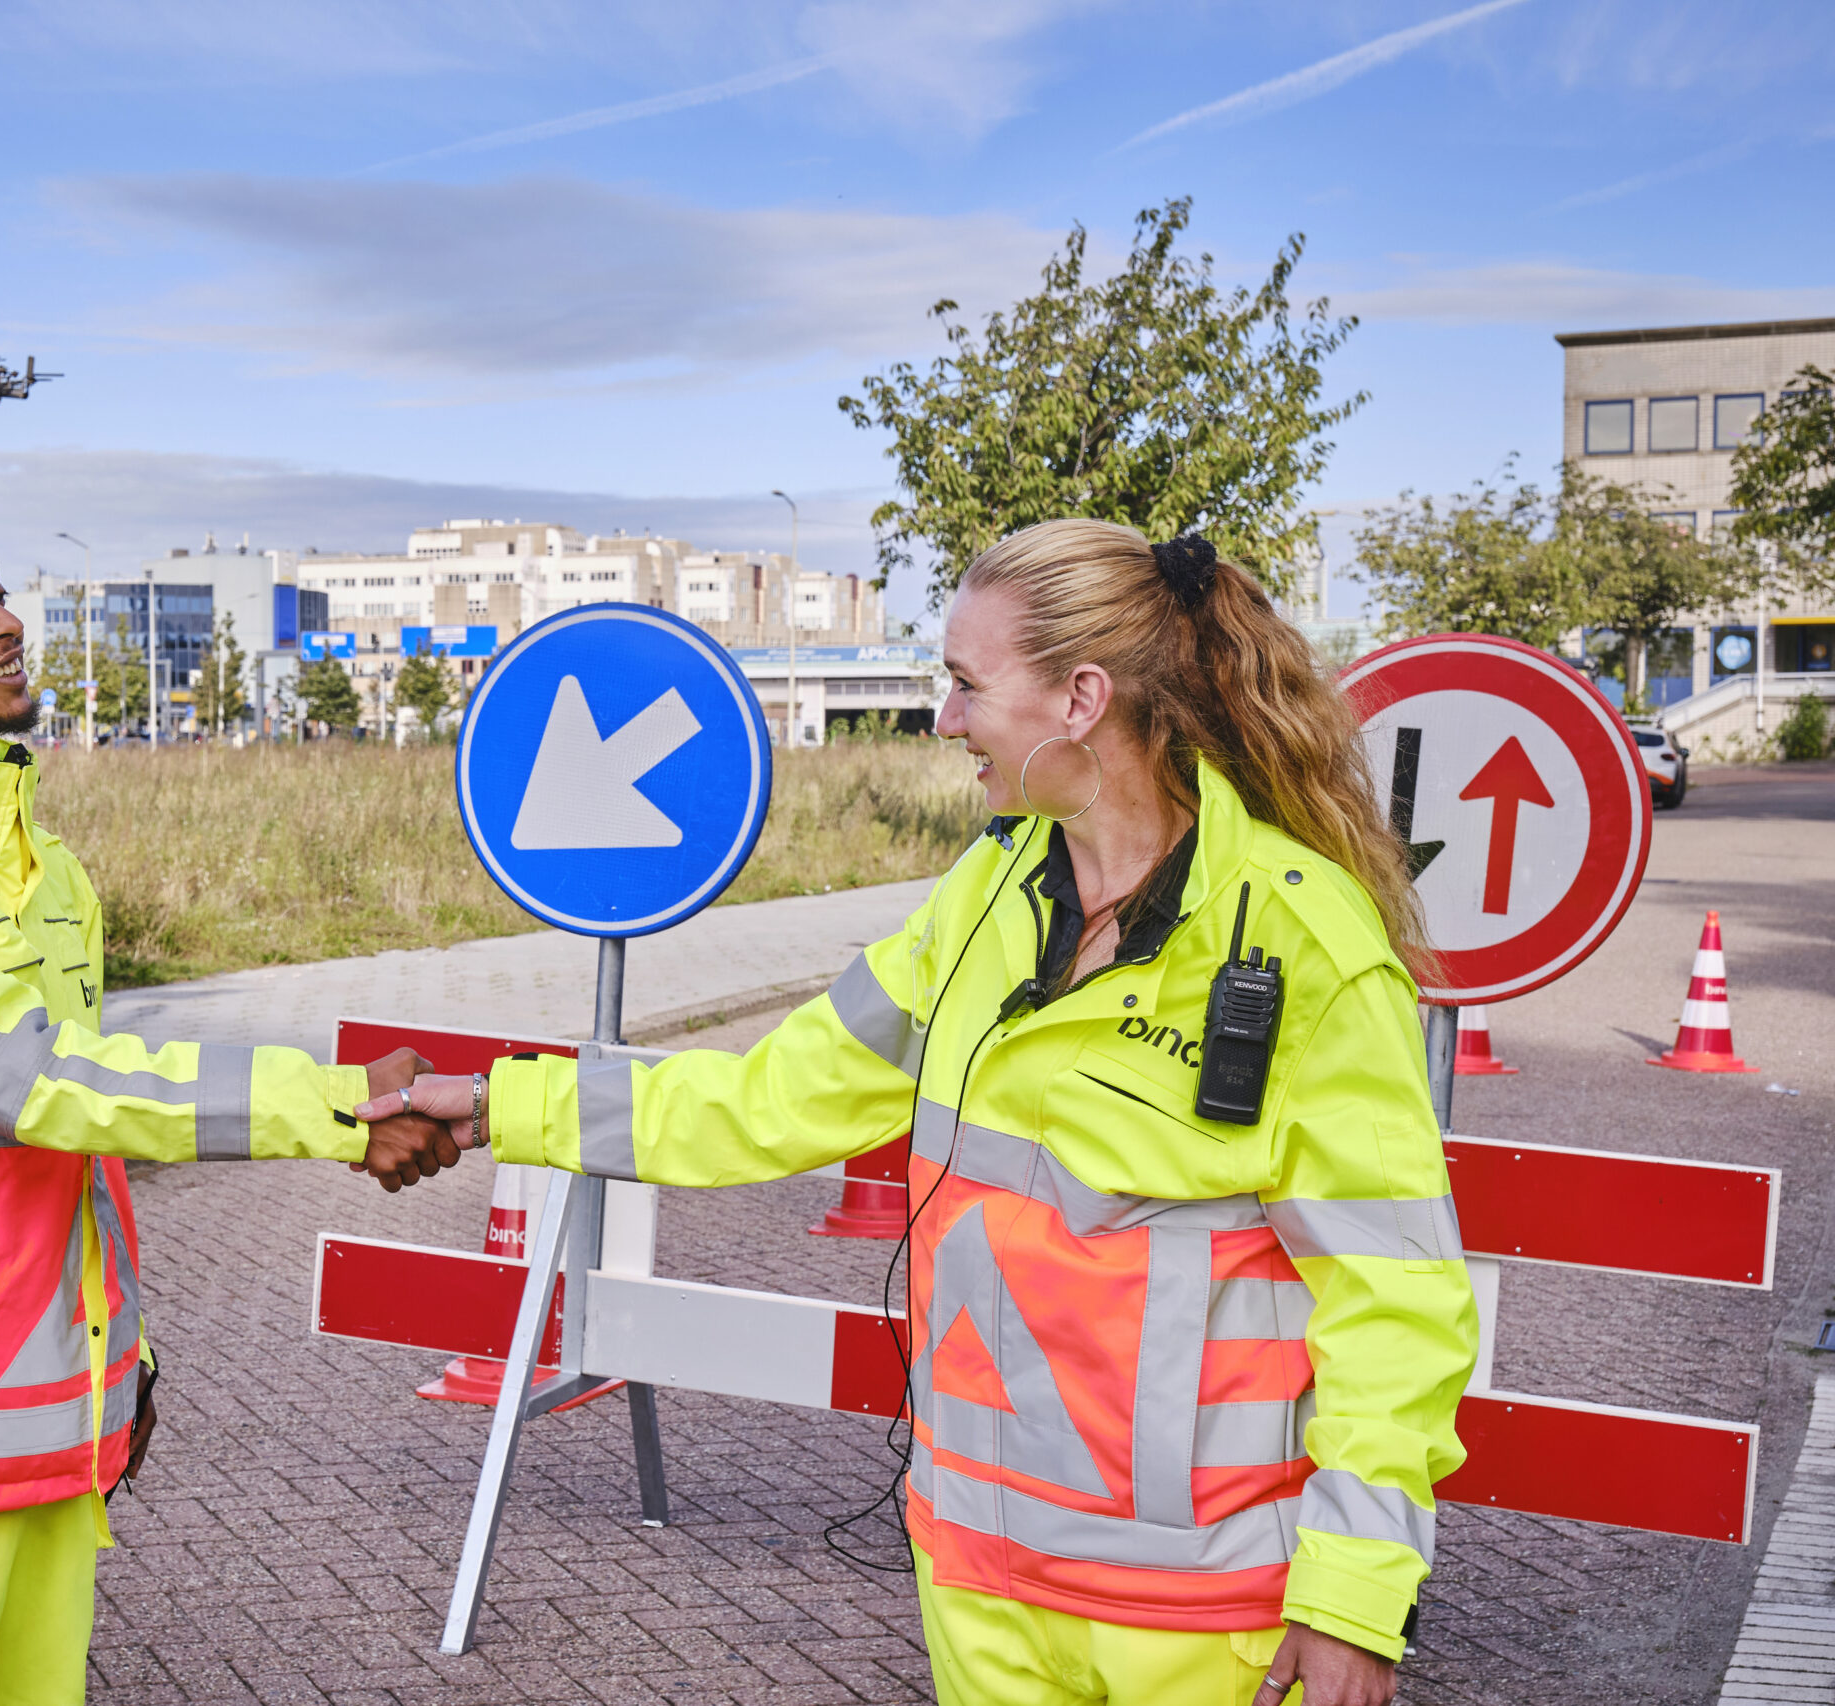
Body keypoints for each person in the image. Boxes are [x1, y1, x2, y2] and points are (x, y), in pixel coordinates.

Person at [374, 521, 1477, 1706]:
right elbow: (768, 1097)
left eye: (962, 684)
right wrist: (497, 1104)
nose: (942, 720)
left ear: (1080, 697)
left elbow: (1394, 1305)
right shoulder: (985, 893)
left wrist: (1352, 1600)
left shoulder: (1303, 944)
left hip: (1206, 1615)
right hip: (978, 1577)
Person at [0, 498, 458, 1706]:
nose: (6, 624)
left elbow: (92, 1133)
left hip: (60, 1414)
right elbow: (34, 1083)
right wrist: (337, 1103)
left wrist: (119, 1362)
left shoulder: (50, 869)